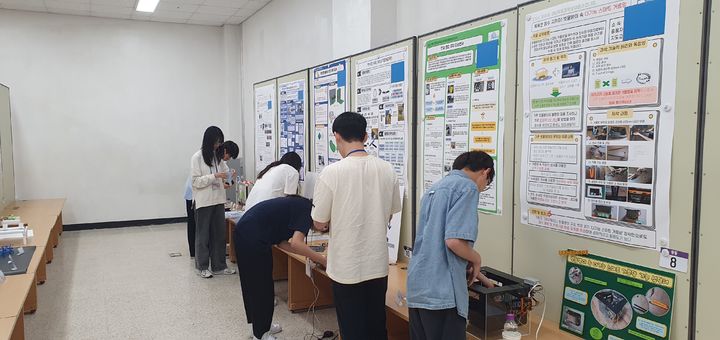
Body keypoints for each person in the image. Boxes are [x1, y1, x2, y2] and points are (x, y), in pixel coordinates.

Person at [311, 112, 401, 340]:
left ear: (336, 136)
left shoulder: (332, 172)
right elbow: (390, 215)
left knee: (352, 328)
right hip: (377, 265)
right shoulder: (387, 169)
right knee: (376, 326)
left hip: (346, 267)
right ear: (365, 135)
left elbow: (319, 222)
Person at [406, 151, 496, 340]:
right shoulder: (468, 188)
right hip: (443, 295)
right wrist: (477, 258)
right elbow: (454, 242)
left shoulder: (435, 188)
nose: (482, 189)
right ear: (485, 172)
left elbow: (436, 247)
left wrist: (482, 277)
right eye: (486, 185)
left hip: (418, 288)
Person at [234, 196, 328, 340]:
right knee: (261, 286)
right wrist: (321, 259)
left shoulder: (302, 206)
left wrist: (310, 255)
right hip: (253, 237)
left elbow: (283, 244)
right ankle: (260, 334)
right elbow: (297, 243)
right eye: (324, 227)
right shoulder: (307, 211)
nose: (320, 229)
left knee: (254, 284)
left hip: (246, 232)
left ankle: (262, 325)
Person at [190, 126, 236, 278]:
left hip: (218, 201)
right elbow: (196, 182)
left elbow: (225, 174)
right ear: (209, 141)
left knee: (219, 235)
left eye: (219, 143)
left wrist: (230, 178)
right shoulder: (197, 157)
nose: (217, 145)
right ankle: (202, 266)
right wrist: (214, 176)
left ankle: (219, 266)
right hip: (204, 202)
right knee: (203, 236)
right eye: (216, 142)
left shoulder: (218, 159)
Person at [184, 141, 237, 259]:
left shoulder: (219, 161)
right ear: (225, 151)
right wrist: (217, 177)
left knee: (208, 229)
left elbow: (223, 184)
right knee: (195, 225)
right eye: (229, 156)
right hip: (193, 194)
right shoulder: (200, 157)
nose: (228, 159)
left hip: (210, 198)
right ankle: (194, 253)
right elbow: (200, 181)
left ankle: (209, 257)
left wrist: (230, 179)